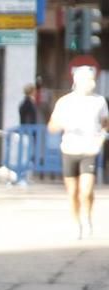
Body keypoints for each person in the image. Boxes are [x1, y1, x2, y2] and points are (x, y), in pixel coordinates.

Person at [48, 65, 109, 239]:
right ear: (77, 81)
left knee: (86, 190)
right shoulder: (65, 102)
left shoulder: (99, 101)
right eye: (86, 80)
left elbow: (106, 121)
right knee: (73, 192)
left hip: (89, 149)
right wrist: (62, 125)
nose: (90, 83)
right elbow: (52, 126)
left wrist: (102, 133)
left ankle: (87, 218)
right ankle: (77, 223)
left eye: (92, 80)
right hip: (69, 149)